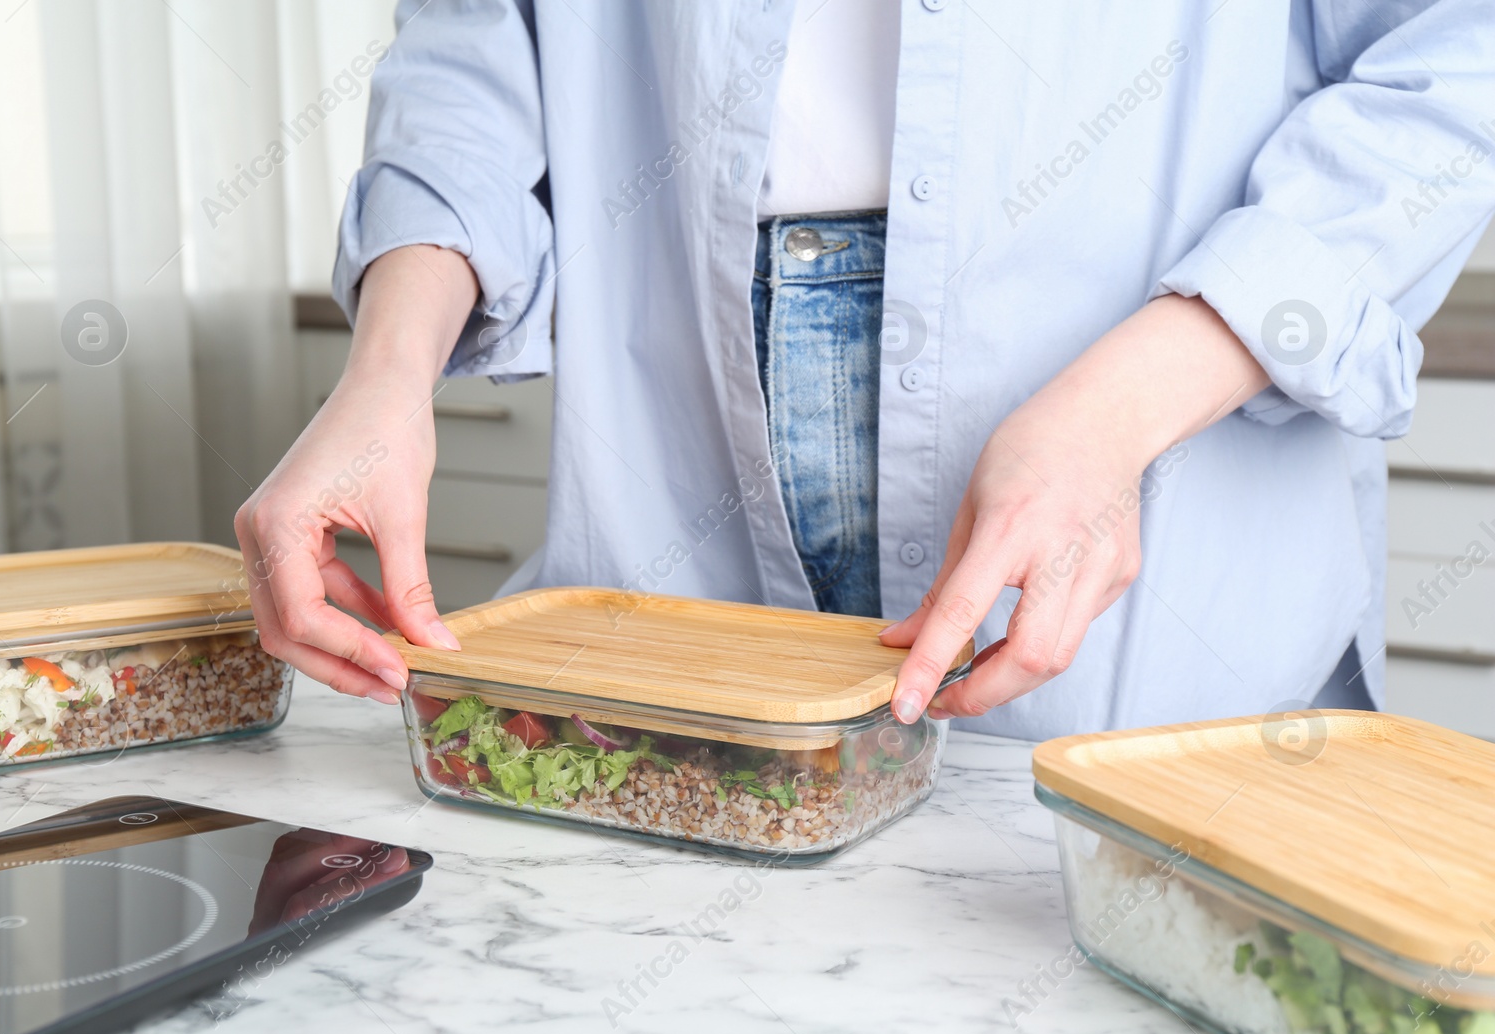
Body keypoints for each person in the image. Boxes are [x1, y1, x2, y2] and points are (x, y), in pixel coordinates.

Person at [236, 0, 1495, 741]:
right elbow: (475, 37)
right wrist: (389, 368)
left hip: (1157, 434)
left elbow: (1455, 55)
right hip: (675, 448)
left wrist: (1133, 404)